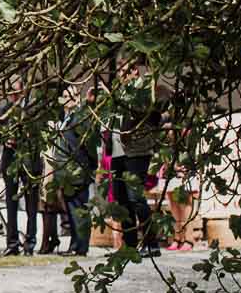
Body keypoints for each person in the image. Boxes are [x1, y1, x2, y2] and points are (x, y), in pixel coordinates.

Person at [110, 61, 167, 258]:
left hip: (137, 151)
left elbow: (155, 117)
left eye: (124, 71)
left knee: (136, 199)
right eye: (119, 71)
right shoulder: (119, 92)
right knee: (122, 202)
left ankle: (152, 244)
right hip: (118, 152)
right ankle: (130, 246)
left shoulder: (144, 90)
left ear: (134, 70)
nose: (120, 75)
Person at [51, 86, 98, 257]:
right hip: (65, 171)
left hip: (78, 169)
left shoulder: (81, 116)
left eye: (69, 96)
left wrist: (90, 166)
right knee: (71, 210)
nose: (65, 100)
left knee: (79, 209)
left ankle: (81, 246)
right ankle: (75, 243)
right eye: (63, 96)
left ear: (77, 98)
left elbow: (89, 144)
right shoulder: (66, 117)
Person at [0, 86, 42, 256]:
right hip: (10, 161)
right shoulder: (3, 110)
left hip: (29, 161)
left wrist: (22, 138)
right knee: (11, 204)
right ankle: (12, 243)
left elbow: (38, 135)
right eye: (10, 91)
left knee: (31, 204)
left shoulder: (33, 108)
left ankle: (30, 244)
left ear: (24, 91)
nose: (13, 95)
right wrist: (5, 139)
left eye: (16, 91)